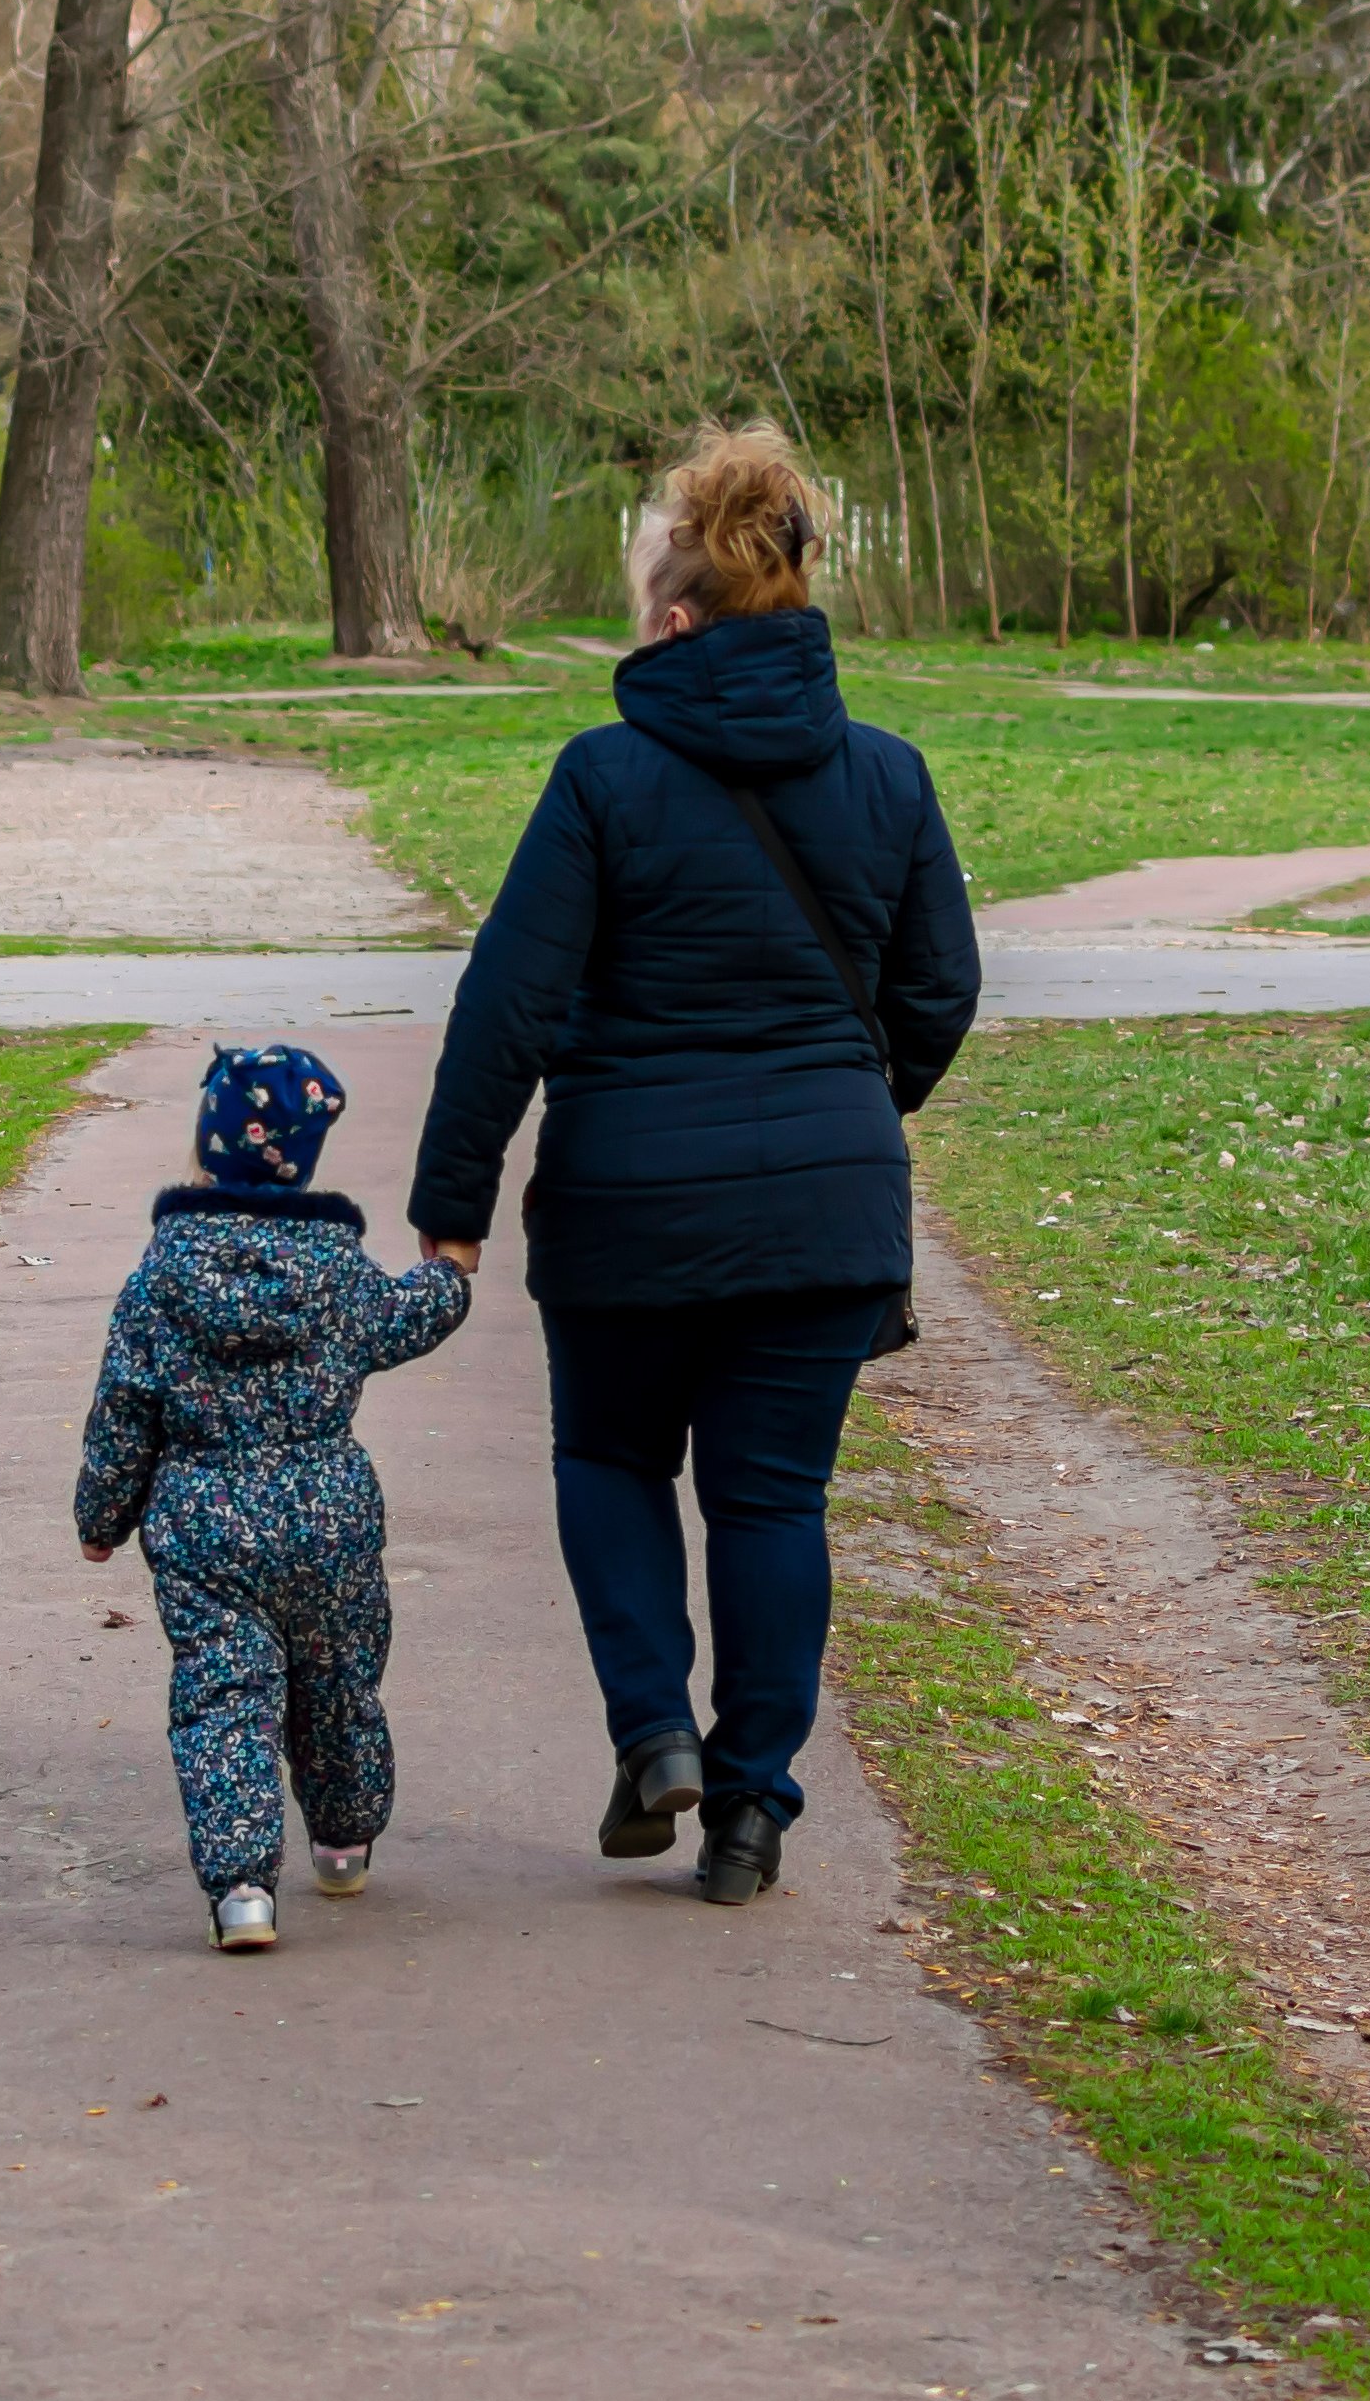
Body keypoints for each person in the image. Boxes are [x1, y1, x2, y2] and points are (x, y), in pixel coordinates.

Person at [406, 425, 983, 1908]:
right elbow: (938, 992)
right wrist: (846, 1115)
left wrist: (450, 1214)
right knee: (772, 1501)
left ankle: (655, 1726)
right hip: (825, 1212)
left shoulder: (603, 779)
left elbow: (508, 1003)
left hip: (629, 1203)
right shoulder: (892, 777)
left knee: (611, 1457)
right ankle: (751, 1810)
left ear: (674, 620)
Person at [75, 1043, 478, 1953]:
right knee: (338, 1685)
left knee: (222, 1700)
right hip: (327, 1513)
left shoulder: (161, 1279)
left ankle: (243, 1889)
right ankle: (342, 1842)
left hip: (204, 1521)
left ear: (205, 1143)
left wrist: (103, 1516)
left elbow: (124, 1407)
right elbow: (411, 1313)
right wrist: (452, 1271)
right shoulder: (336, 1273)